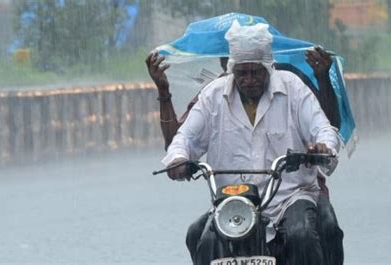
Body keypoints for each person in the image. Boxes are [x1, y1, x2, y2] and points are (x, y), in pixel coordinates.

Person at [147, 24, 344, 265]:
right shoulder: (212, 95)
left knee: (301, 235)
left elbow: (323, 128)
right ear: (232, 70)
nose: (249, 80)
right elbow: (184, 138)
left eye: (256, 72)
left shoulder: (292, 87)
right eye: (242, 73)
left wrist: (323, 147)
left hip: (290, 196)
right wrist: (178, 158)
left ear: (268, 67)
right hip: (233, 202)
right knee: (200, 238)